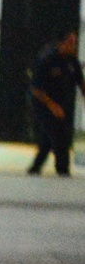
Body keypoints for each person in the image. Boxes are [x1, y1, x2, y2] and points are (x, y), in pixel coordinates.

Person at [27, 31, 83, 176]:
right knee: (59, 136)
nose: (74, 46)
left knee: (49, 137)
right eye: (71, 42)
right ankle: (63, 171)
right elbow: (36, 89)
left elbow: (81, 83)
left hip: (59, 103)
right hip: (43, 102)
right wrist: (52, 106)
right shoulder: (47, 59)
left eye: (74, 43)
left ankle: (35, 168)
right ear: (61, 43)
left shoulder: (72, 61)